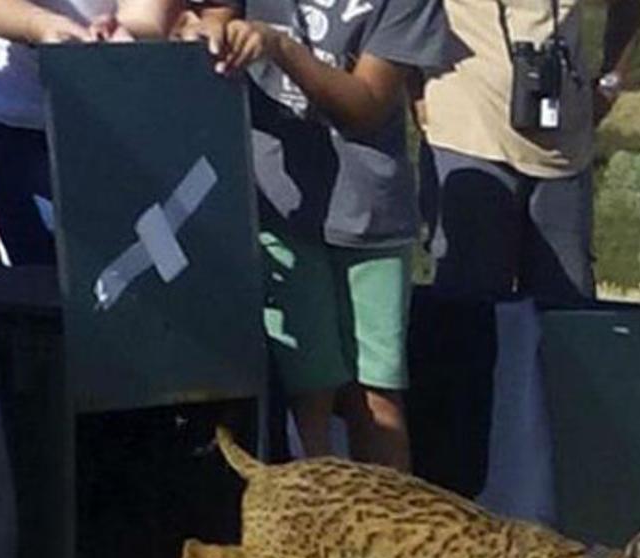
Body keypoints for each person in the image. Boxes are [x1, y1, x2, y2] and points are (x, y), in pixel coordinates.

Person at [184, 0, 448, 471]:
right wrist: (210, 31)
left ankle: (387, 536)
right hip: (277, 210)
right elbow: (206, 17)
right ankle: (313, 532)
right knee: (308, 396)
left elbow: (365, 106)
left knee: (376, 397)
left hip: (372, 219)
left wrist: (279, 45)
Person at [415, 0, 640, 304]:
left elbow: (627, 8)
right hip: (468, 134)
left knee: (565, 314)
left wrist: (609, 84)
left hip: (563, 150)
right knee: (469, 310)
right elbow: (397, 12)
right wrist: (415, 93)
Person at [0, 0, 182, 265]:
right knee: (37, 273)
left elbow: (150, 15)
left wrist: (121, 30)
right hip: (18, 121)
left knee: (138, 270)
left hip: (121, 119)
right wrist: (39, 26)